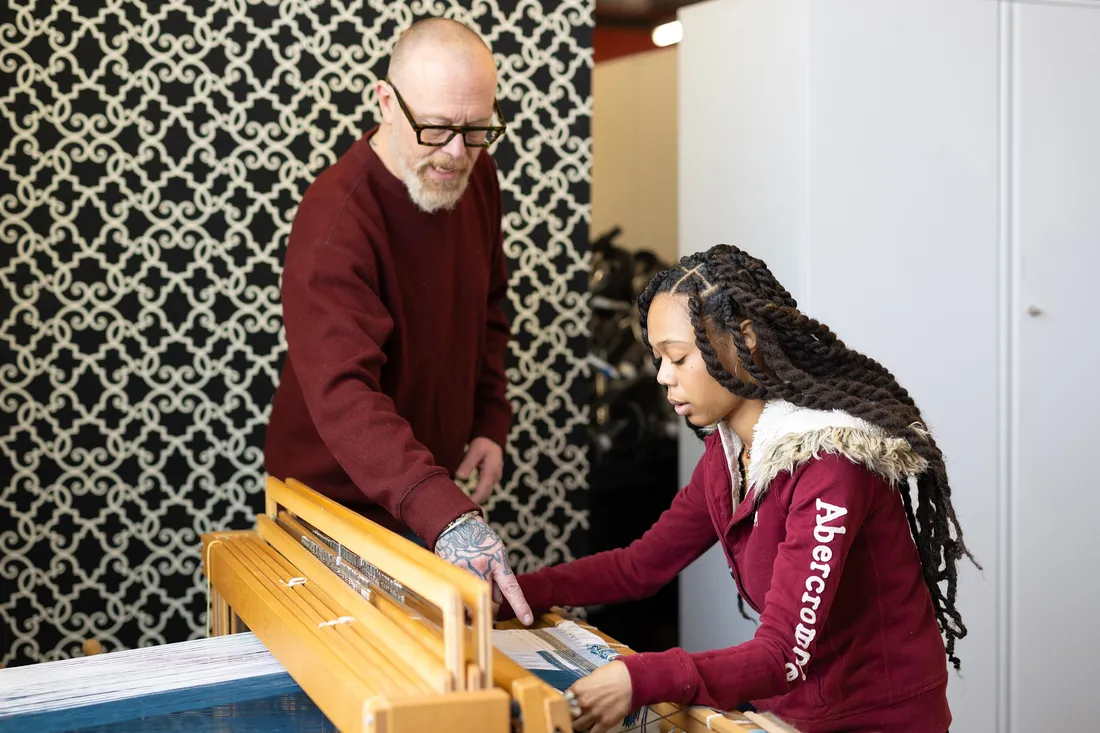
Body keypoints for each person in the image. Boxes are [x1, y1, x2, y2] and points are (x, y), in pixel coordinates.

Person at [497, 244, 976, 732]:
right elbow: (640, 566)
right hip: (791, 710)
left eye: (678, 357)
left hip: (878, 720)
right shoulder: (727, 458)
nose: (663, 377)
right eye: (658, 358)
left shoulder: (831, 463)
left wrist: (639, 676)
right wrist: (514, 592)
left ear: (745, 341)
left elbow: (781, 653)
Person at [264, 17, 533, 625]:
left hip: (423, 492)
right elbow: (345, 394)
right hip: (330, 507)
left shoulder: (475, 174)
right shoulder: (335, 221)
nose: (456, 153)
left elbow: (491, 306)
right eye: (436, 129)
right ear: (386, 102)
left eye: (476, 130)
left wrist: (491, 421)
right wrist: (447, 514)